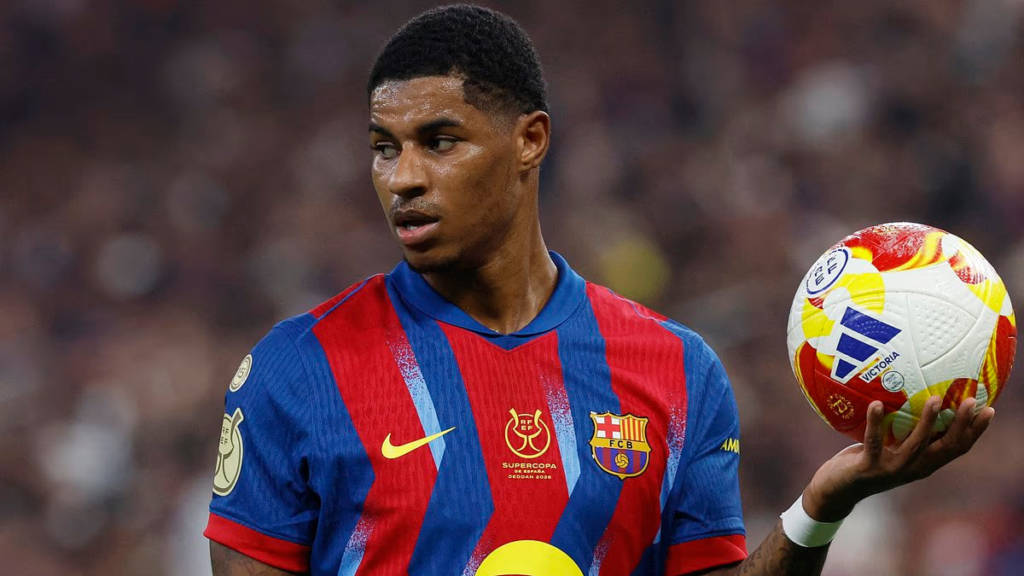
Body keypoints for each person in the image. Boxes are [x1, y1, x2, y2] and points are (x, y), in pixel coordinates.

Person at [204, 5, 994, 575]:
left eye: (439, 142)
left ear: (530, 141)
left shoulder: (675, 372)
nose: (403, 178)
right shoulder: (298, 371)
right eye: (384, 148)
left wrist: (821, 509)